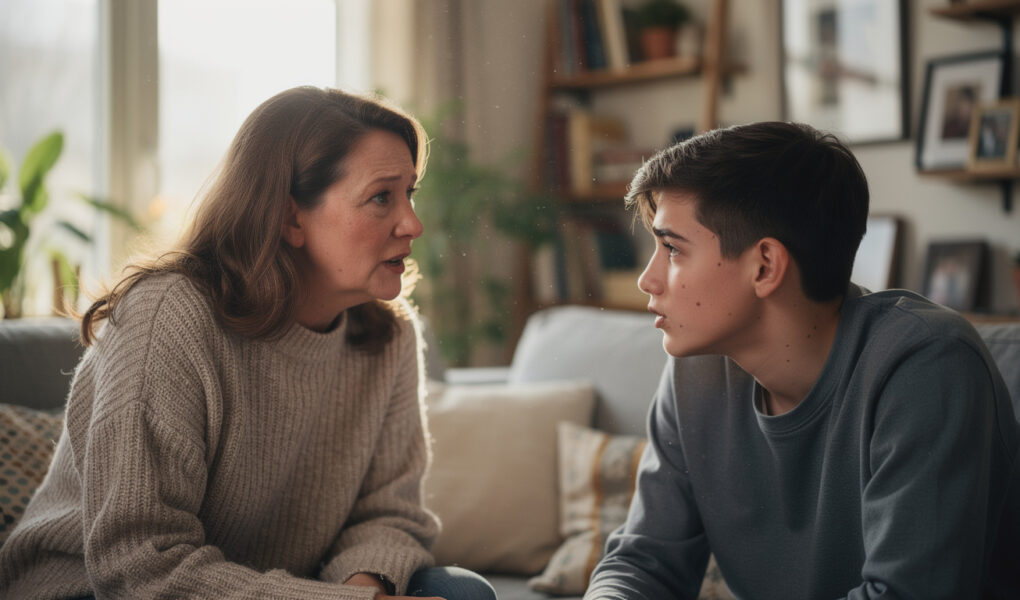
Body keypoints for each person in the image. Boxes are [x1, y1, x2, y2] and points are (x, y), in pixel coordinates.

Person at [0, 86, 497, 600]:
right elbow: (138, 566)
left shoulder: (389, 336)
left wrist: (365, 589)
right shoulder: (166, 318)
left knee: (465, 594)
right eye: (380, 198)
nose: (413, 224)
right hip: (92, 591)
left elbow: (388, 512)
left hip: (281, 589)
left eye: (409, 194)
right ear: (289, 218)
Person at [584, 122, 1020, 599]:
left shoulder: (926, 367)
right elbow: (645, 562)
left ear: (765, 266)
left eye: (671, 248)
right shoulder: (696, 372)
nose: (647, 279)